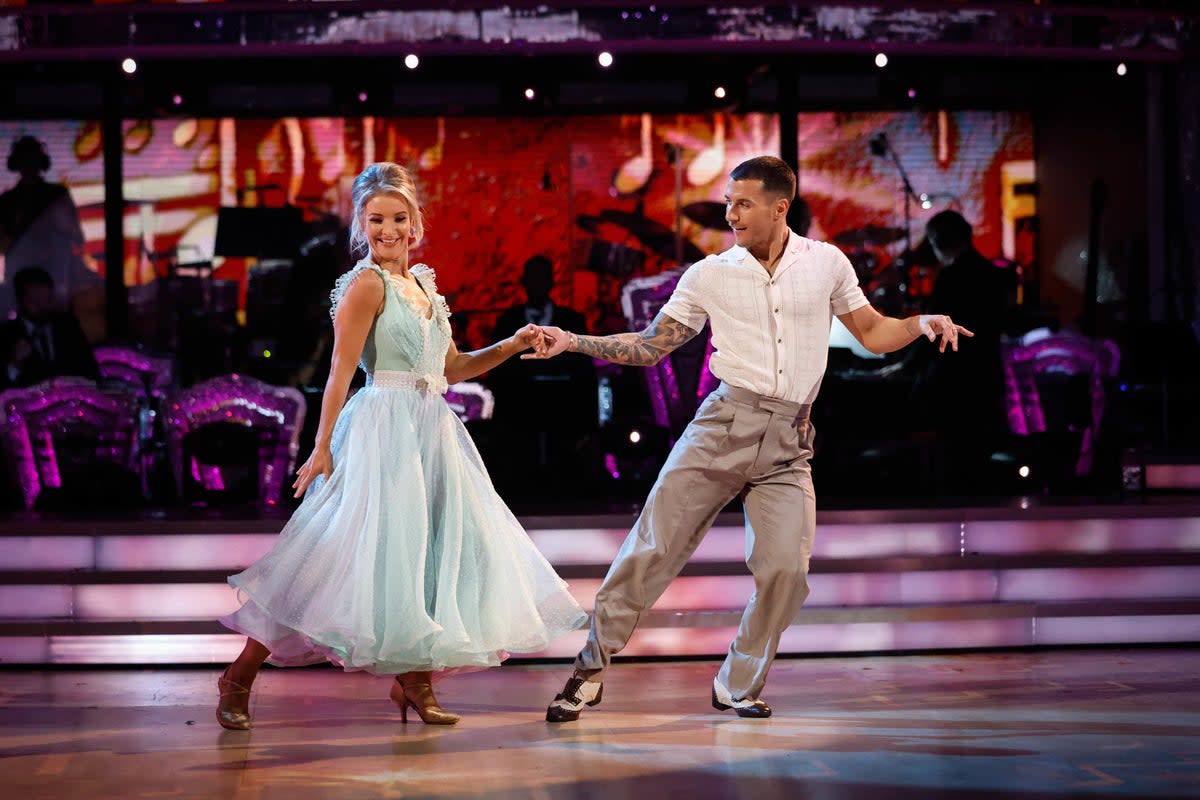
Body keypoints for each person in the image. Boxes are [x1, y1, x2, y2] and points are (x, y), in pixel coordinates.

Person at [527, 156, 970, 721]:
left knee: (787, 571)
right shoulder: (710, 274)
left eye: (743, 203)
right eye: (728, 203)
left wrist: (918, 323)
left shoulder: (826, 263)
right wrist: (571, 341)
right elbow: (650, 345)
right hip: (724, 425)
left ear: (779, 207)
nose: (730, 214)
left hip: (790, 439)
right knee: (652, 548)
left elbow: (872, 332)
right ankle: (589, 670)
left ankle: (737, 681)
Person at [215, 163, 587, 730]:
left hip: (430, 429)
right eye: (375, 220)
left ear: (416, 222)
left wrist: (512, 345)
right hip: (381, 429)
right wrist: (321, 448)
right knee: (333, 557)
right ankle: (239, 675)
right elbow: (339, 372)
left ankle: (414, 685)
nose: (387, 229)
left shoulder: (425, 287)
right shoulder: (366, 284)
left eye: (398, 218)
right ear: (361, 227)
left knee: (426, 554)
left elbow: (452, 367)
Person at [916, 210, 1016, 490]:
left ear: (937, 241)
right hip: (986, 375)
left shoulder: (949, 278)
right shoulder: (996, 276)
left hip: (954, 381)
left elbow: (933, 333)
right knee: (980, 463)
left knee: (955, 462)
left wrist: (908, 367)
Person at [488, 255, 596, 493]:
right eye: (533, 278)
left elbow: (585, 369)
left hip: (563, 408)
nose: (537, 283)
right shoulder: (508, 321)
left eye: (542, 277)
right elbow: (495, 365)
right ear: (524, 282)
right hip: (519, 407)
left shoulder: (572, 320)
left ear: (551, 282)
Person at [0, 136, 100, 325]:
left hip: (56, 275)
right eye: (25, 158)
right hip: (21, 277)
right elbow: (2, 245)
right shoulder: (8, 201)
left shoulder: (56, 196)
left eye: (32, 158)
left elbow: (76, 236)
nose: (29, 164)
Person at [0, 266, 99, 389]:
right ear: (20, 301)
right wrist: (15, 362)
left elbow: (91, 372)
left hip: (70, 403)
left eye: (48, 300)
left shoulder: (67, 326)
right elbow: (4, 386)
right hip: (28, 406)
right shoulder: (7, 334)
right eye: (35, 302)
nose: (43, 307)